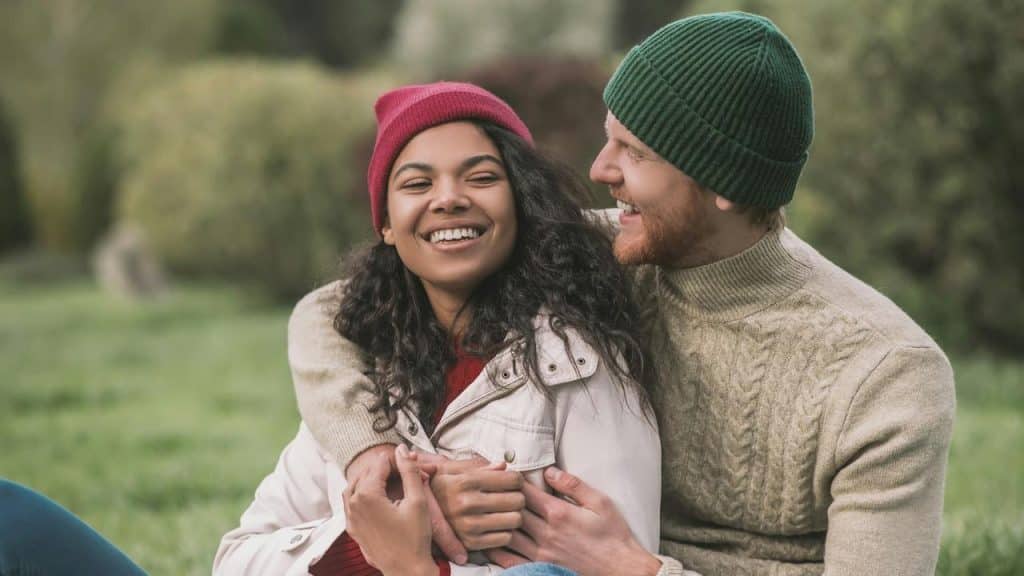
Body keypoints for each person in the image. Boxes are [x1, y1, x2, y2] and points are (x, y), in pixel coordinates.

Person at [289, 12, 957, 576]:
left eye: (633, 152)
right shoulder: (607, 251)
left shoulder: (885, 374)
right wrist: (372, 455)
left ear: (723, 183)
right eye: (608, 138)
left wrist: (638, 570)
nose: (600, 169)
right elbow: (329, 310)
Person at [213, 82, 663, 575]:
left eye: (481, 177)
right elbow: (236, 560)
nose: (448, 199)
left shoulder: (579, 363)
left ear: (521, 203)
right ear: (387, 224)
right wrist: (382, 534)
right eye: (417, 184)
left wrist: (423, 562)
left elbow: (617, 560)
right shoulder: (360, 377)